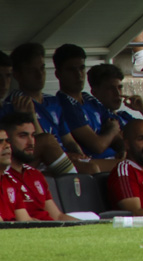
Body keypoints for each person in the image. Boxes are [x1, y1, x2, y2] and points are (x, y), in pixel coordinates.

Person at [0, 42, 84, 175]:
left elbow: (68, 139)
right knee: (47, 140)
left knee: (92, 168)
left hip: (61, 160)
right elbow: (33, 143)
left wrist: (80, 155)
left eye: (42, 68)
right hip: (34, 163)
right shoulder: (14, 104)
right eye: (32, 71)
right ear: (18, 75)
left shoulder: (53, 101)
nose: (39, 75)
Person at [0, 112, 78, 221]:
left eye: (33, 135)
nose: (31, 142)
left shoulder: (35, 175)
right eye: (23, 136)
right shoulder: (5, 177)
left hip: (48, 229)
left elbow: (58, 216)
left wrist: (88, 228)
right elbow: (23, 222)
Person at [0, 125, 32, 222]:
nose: (7, 146)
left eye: (8, 141)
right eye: (0, 142)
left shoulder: (10, 182)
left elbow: (26, 221)